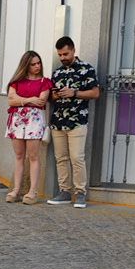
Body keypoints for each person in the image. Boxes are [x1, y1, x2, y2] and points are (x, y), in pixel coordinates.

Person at [45, 36, 100, 207]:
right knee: (60, 158)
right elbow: (51, 97)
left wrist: (74, 93)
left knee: (77, 158)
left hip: (77, 120)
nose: (63, 58)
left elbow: (95, 93)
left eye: (65, 54)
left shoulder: (87, 69)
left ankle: (81, 193)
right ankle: (64, 192)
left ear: (74, 50)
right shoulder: (57, 72)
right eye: (60, 55)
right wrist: (55, 95)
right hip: (58, 121)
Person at [4, 49, 51, 203]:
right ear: (26, 65)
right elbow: (11, 101)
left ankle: (32, 192)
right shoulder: (16, 81)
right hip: (17, 120)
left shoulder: (45, 82)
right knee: (18, 156)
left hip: (34, 121)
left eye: (38, 63)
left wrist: (20, 99)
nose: (37, 66)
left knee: (33, 156)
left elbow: (42, 101)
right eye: (33, 64)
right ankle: (16, 190)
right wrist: (30, 98)